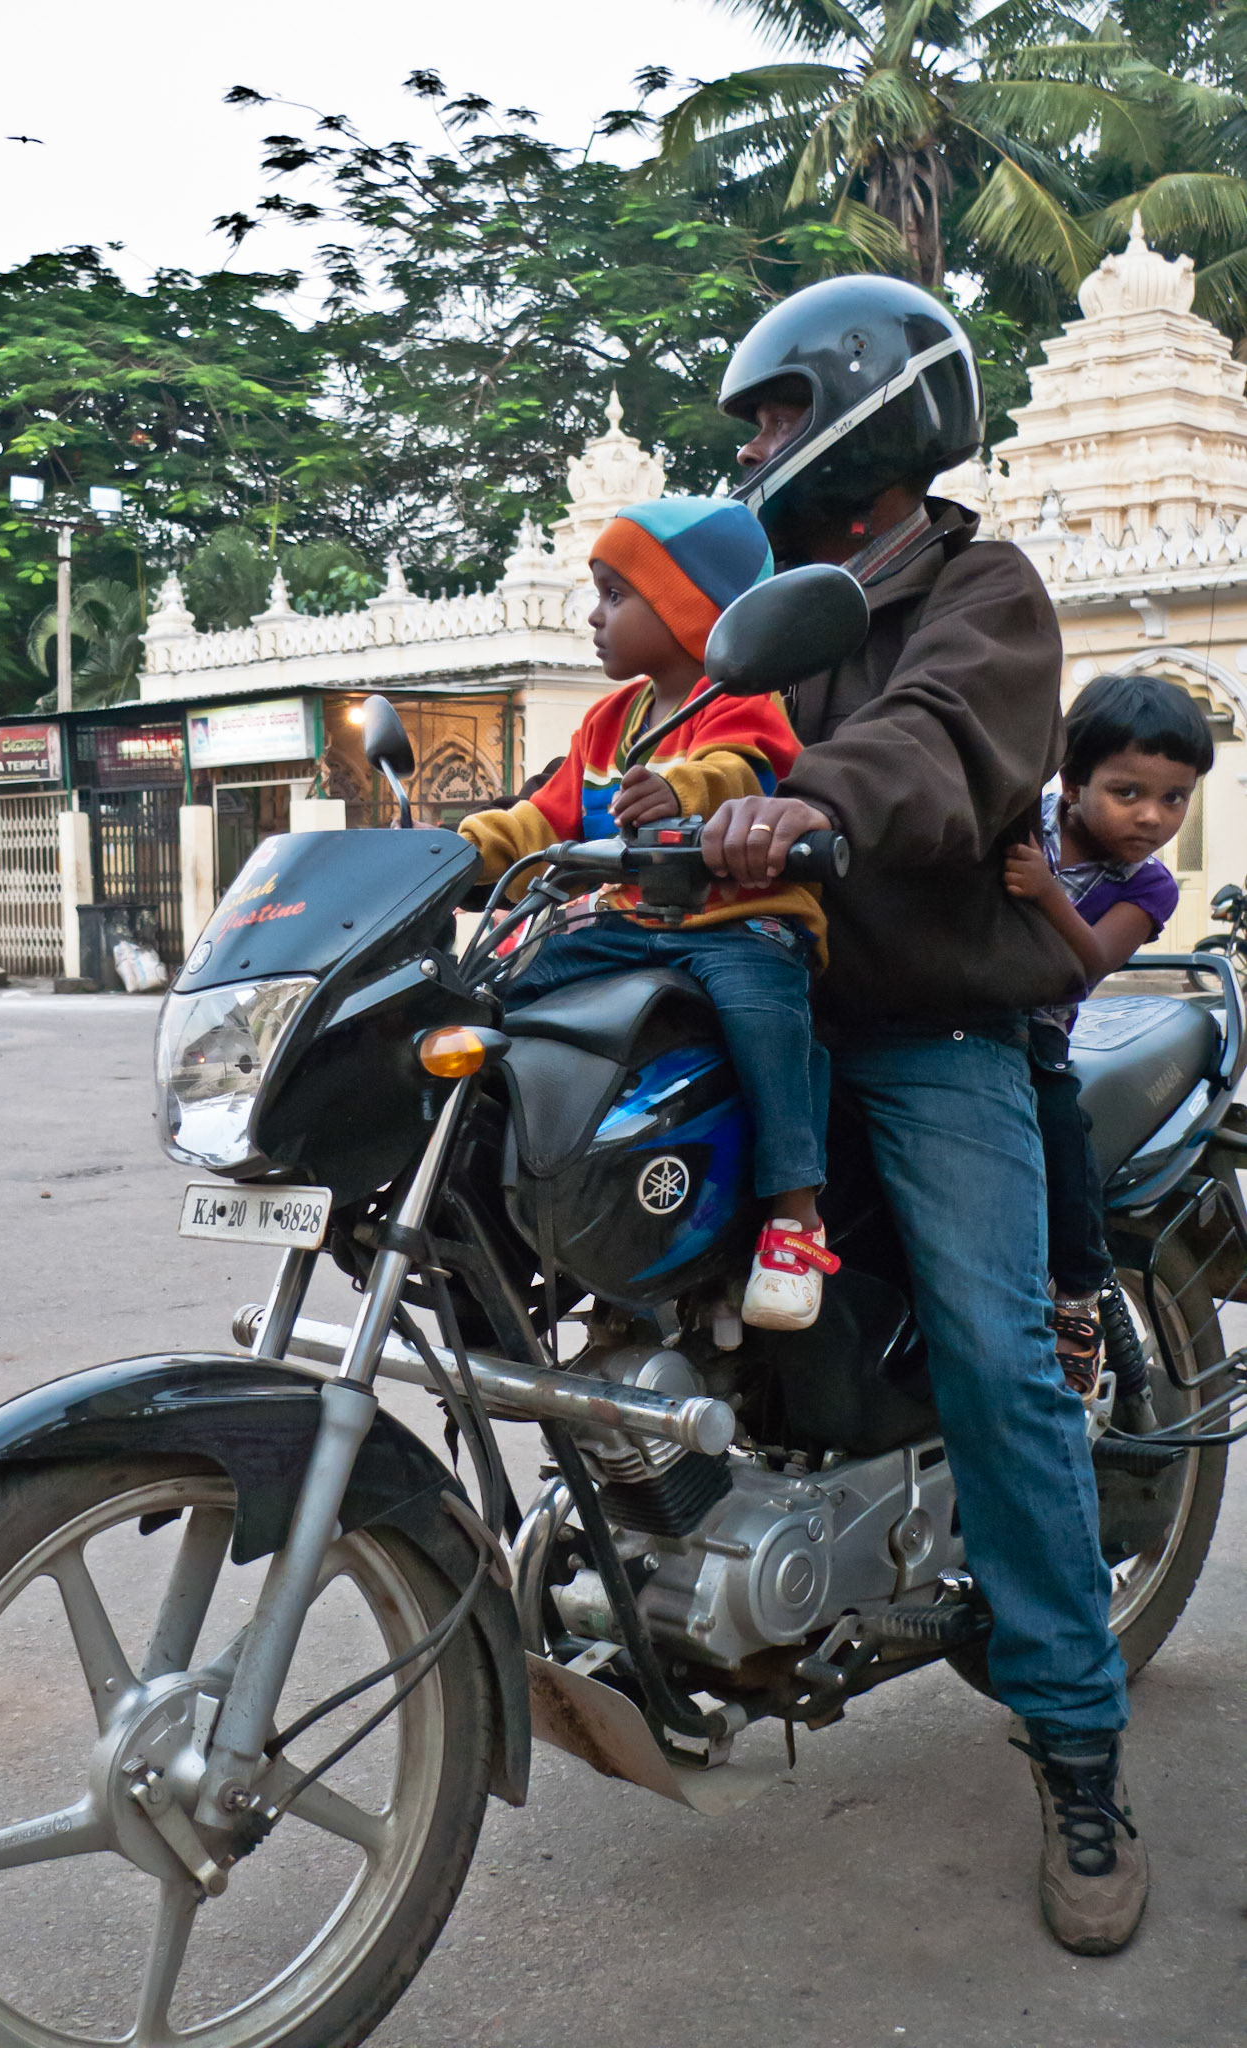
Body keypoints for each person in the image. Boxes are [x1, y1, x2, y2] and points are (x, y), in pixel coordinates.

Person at [700, 275, 1146, 1955]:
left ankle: (1078, 1734)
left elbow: (940, 742)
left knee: (992, 1344)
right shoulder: (762, 599)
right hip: (768, 1009)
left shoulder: (983, 589)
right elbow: (676, 729)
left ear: (871, 414)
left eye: (777, 414)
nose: (755, 447)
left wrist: (804, 800)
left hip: (927, 1021)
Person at [459, 494, 839, 1330]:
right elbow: (543, 819)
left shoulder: (738, 701)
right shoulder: (607, 721)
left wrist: (682, 788)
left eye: (615, 595)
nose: (594, 617)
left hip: (742, 921)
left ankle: (792, 1217)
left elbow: (744, 771)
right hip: (632, 928)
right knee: (495, 999)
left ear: (687, 608)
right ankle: (496, 1198)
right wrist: (455, 852)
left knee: (764, 1024)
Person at [1005, 673, 1214, 1402]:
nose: (1153, 817)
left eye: (1175, 798)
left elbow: (1087, 965)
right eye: (1129, 793)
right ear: (1071, 778)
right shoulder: (1018, 814)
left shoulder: (1149, 886)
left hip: (1037, 1035)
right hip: (956, 1010)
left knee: (1063, 1133)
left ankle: (1079, 1298)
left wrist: (1046, 892)